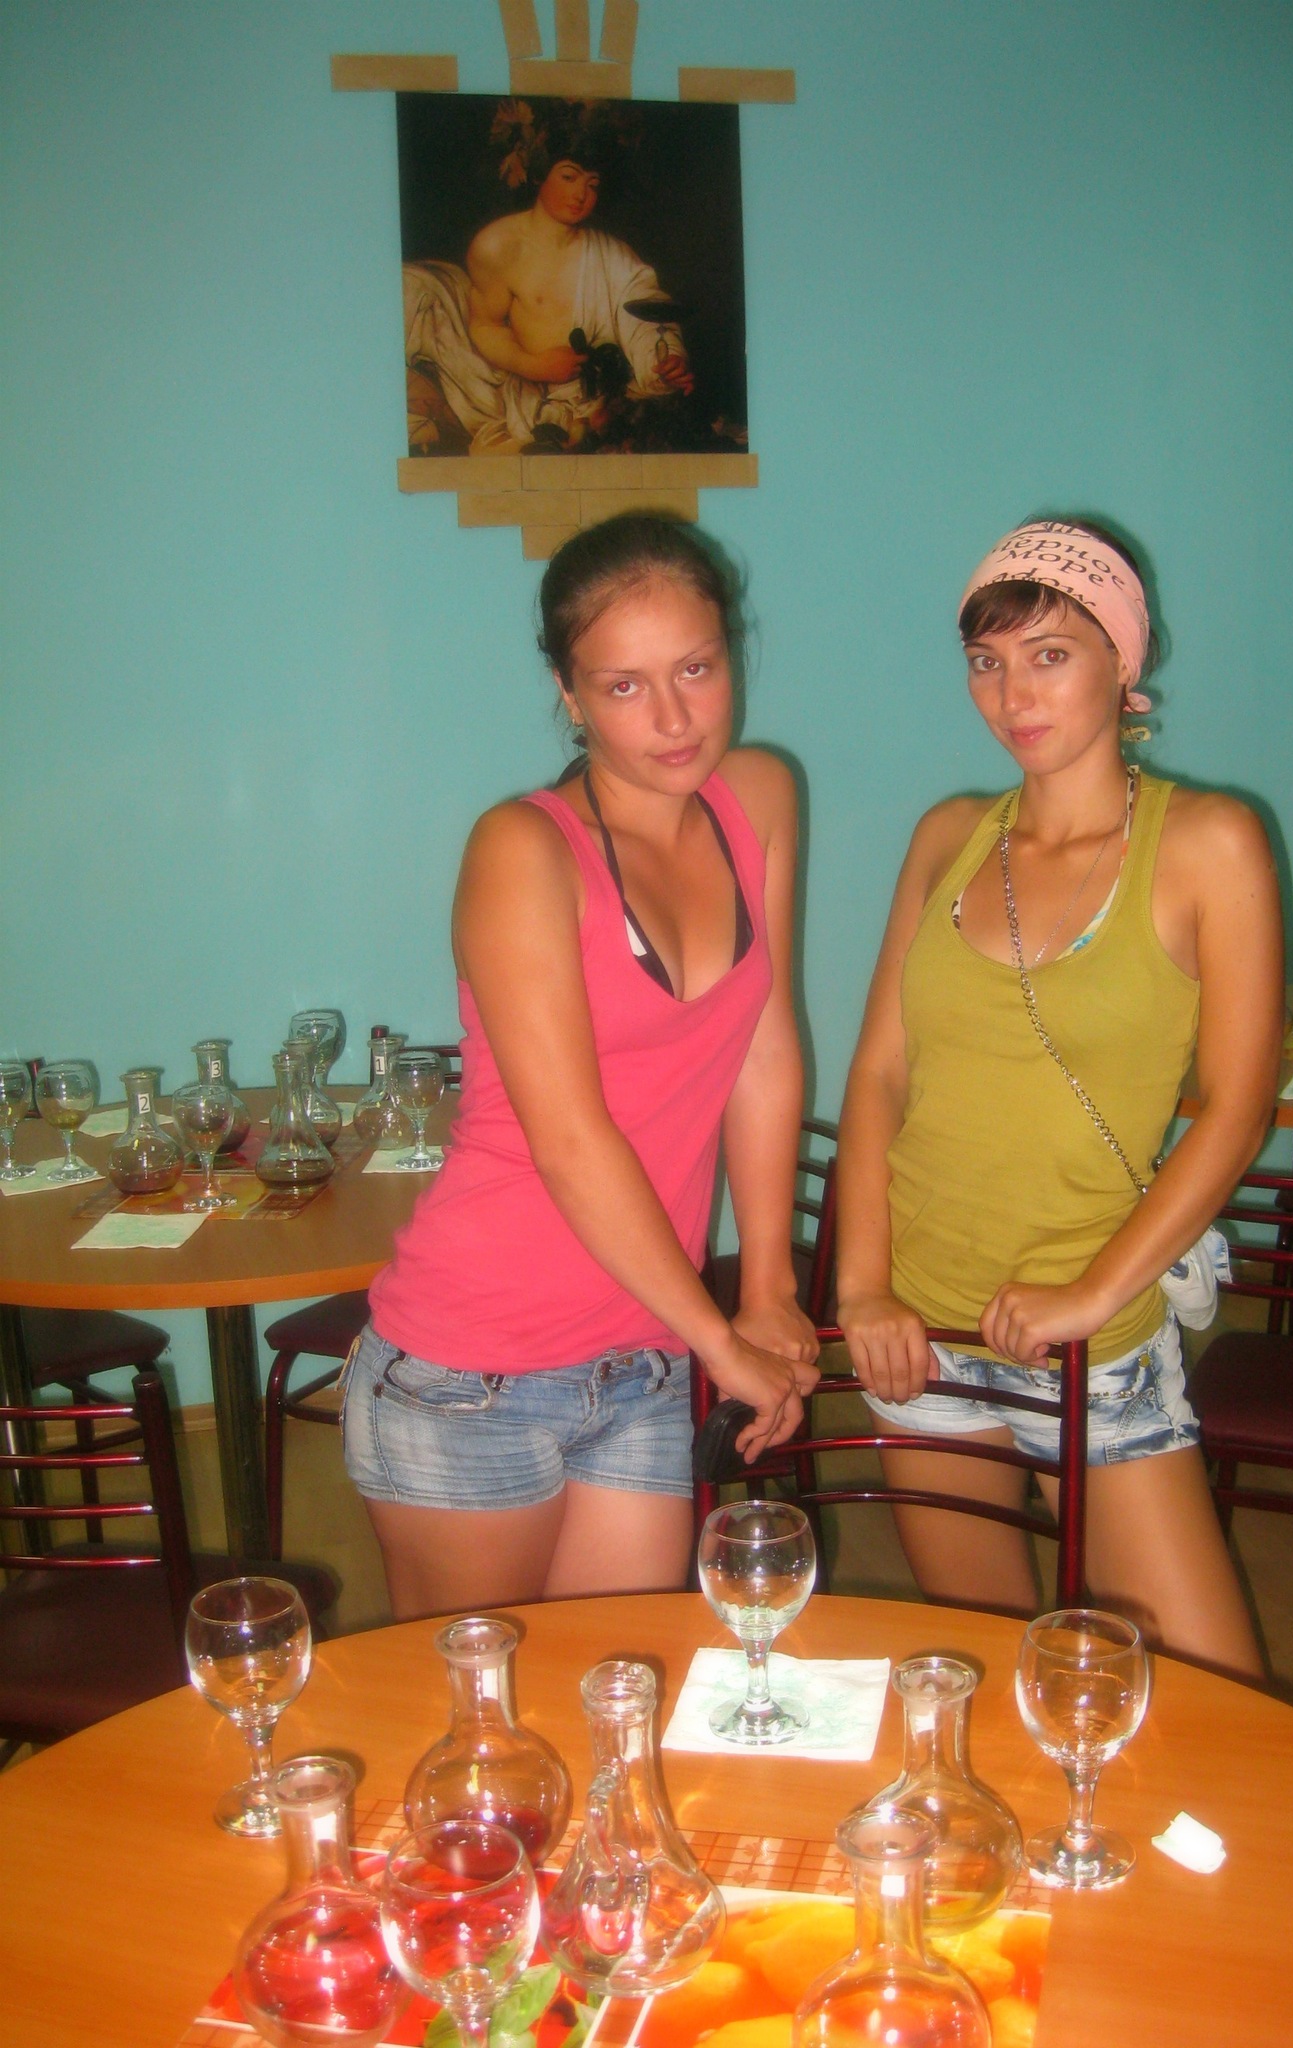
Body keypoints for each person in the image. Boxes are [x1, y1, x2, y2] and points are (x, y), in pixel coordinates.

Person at [345, 514, 819, 1619]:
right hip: (475, 1363)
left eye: (696, 669)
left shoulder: (759, 797)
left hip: (645, 1349)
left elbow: (764, 1046)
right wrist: (722, 1338)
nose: (673, 718)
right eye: (623, 686)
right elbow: (568, 1139)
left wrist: (767, 1287)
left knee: (619, 1689)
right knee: (480, 1704)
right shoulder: (523, 849)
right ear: (568, 693)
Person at [836, 517, 1281, 1679]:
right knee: (986, 1677)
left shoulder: (1209, 843)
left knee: (1217, 1700)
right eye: (987, 661)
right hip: (925, 1337)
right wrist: (862, 1285)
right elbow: (879, 1074)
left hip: (1092, 1339)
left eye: (1050, 655)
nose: (1012, 694)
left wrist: (1091, 1293)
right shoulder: (949, 834)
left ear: (1124, 661)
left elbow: (1238, 1106)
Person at [403, 103, 692, 456]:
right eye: (569, 177)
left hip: (594, 397)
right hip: (523, 389)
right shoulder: (498, 245)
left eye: (592, 184)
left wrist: (666, 359)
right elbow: (486, 326)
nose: (580, 194)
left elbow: (646, 309)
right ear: (541, 174)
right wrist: (534, 366)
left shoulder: (612, 255)